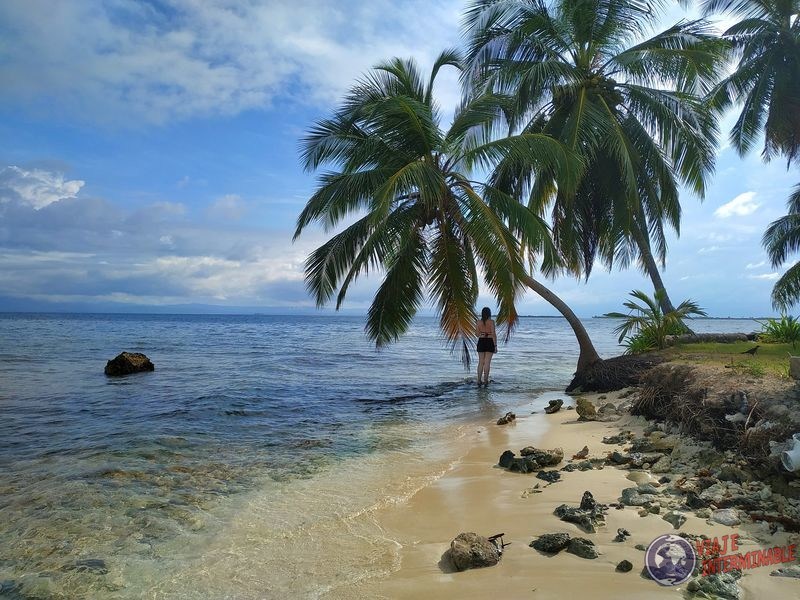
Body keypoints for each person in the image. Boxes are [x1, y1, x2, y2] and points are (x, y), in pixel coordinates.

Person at [476, 307, 497, 386]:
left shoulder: (478, 322)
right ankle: (485, 380)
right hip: (490, 341)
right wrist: (495, 345)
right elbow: (494, 334)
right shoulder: (491, 322)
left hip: (481, 341)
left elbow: (477, 334)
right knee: (487, 362)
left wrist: (482, 334)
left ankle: (478, 380)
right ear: (489, 313)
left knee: (481, 362)